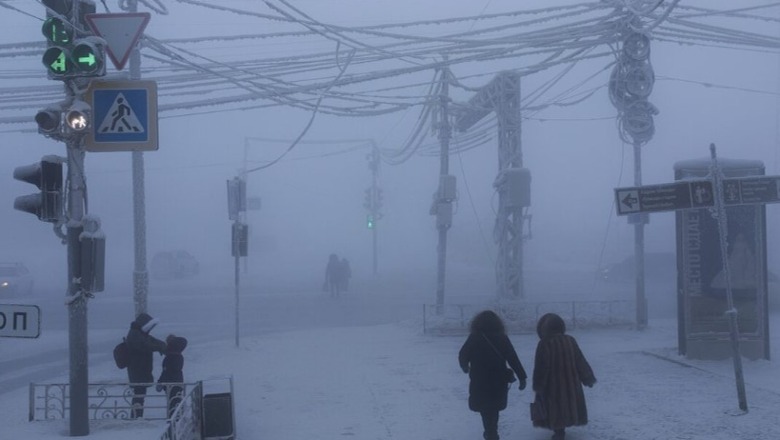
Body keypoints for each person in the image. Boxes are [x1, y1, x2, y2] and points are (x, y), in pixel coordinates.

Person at [459, 310, 527, 440]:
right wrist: (522, 377)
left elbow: (463, 354)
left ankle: (490, 432)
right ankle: (492, 431)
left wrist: (464, 366)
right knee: (494, 408)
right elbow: (513, 358)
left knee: (485, 409)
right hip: (498, 380)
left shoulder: (474, 337)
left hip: (480, 380)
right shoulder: (502, 338)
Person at [532, 313, 596, 440]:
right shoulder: (570, 340)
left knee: (555, 405)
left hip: (552, 384)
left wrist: (539, 385)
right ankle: (562, 429)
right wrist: (587, 378)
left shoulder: (544, 343)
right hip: (571, 383)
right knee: (567, 403)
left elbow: (541, 367)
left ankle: (559, 432)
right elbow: (580, 360)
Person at [125, 312, 167, 419]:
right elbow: (147, 345)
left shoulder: (139, 333)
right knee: (139, 395)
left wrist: (162, 345)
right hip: (138, 370)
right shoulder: (135, 335)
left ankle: (137, 416)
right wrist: (159, 347)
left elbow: (152, 341)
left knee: (140, 395)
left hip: (140, 369)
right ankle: (135, 417)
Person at [157, 334, 188, 418]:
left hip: (171, 383)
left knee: (173, 403)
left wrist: (160, 381)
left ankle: (173, 420)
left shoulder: (171, 357)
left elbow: (167, 371)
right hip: (177, 382)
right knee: (175, 401)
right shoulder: (178, 356)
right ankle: (176, 418)